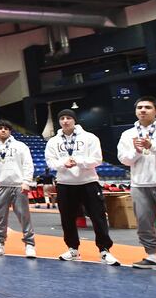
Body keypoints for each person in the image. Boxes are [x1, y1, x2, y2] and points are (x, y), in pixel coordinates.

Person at [45, 110, 120, 266]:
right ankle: (73, 249)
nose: (65, 121)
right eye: (62, 118)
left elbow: (97, 159)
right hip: (65, 184)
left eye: (68, 118)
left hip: (88, 182)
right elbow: (51, 162)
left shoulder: (89, 138)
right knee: (67, 219)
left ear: (74, 120)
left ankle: (104, 250)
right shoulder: (53, 141)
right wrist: (62, 164)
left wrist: (78, 161)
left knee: (98, 217)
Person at [117, 96, 156, 269]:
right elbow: (124, 160)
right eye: (139, 107)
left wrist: (152, 147)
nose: (143, 110)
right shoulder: (128, 134)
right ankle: (151, 256)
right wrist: (137, 151)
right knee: (144, 222)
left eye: (147, 107)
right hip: (140, 184)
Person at [0, 120, 36, 259]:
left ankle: (30, 245)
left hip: (19, 186)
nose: (3, 130)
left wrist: (26, 181)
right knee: (0, 217)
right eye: (0, 128)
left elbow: (28, 164)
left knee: (24, 216)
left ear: (10, 131)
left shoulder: (20, 146)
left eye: (6, 128)